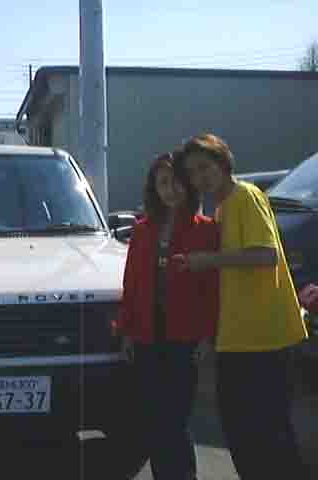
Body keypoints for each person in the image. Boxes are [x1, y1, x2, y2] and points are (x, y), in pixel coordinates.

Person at [174, 133, 309, 479]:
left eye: (205, 167)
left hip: (266, 338)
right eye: (192, 173)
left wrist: (208, 260)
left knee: (269, 436)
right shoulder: (222, 208)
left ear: (222, 163)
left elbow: (266, 255)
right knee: (244, 435)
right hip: (237, 338)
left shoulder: (246, 196)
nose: (200, 178)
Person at [117, 151, 218, 480]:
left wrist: (207, 335)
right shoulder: (143, 230)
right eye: (162, 183)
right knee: (153, 419)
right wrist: (127, 331)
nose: (170, 190)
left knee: (175, 418)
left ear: (188, 185)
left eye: (176, 182)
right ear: (154, 189)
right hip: (147, 337)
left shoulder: (206, 230)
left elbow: (212, 288)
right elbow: (131, 283)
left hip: (184, 338)